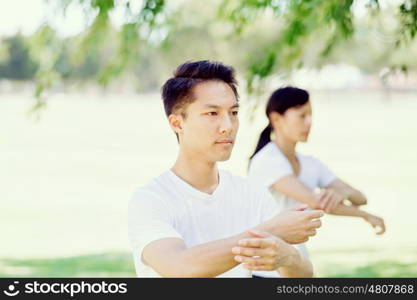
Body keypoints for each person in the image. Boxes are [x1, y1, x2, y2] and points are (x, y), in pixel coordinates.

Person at [128, 61, 324, 278]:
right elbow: (179, 267)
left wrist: (288, 257)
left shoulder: (251, 194)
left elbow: (304, 276)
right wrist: (270, 230)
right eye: (212, 113)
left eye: (233, 112)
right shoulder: (151, 200)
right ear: (177, 123)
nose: (228, 126)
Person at [248, 86, 386, 278]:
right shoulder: (267, 160)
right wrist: (365, 216)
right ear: (276, 119)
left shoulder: (311, 163)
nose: (309, 122)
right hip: (265, 270)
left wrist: (343, 193)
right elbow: (317, 201)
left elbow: (360, 197)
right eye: (301, 116)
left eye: (310, 115)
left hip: (297, 265)